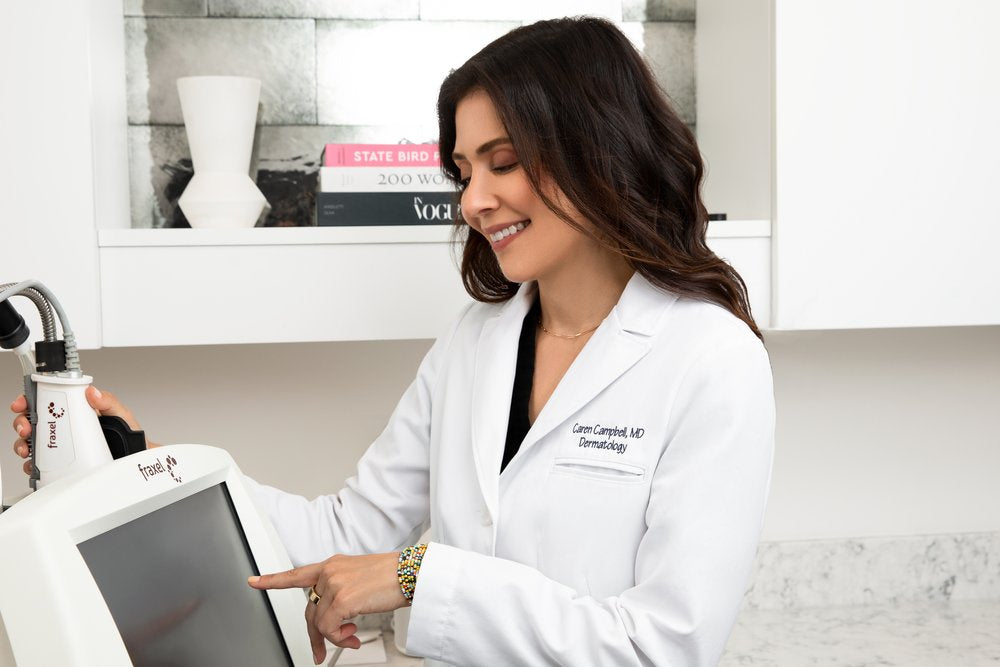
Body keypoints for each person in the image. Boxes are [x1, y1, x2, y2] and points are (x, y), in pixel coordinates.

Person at [10, 16, 774, 667]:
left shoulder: (710, 359)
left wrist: (418, 576)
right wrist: (138, 458)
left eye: (504, 162)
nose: (474, 201)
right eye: (464, 171)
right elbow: (347, 533)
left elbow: (665, 645)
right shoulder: (477, 342)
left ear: (597, 147)